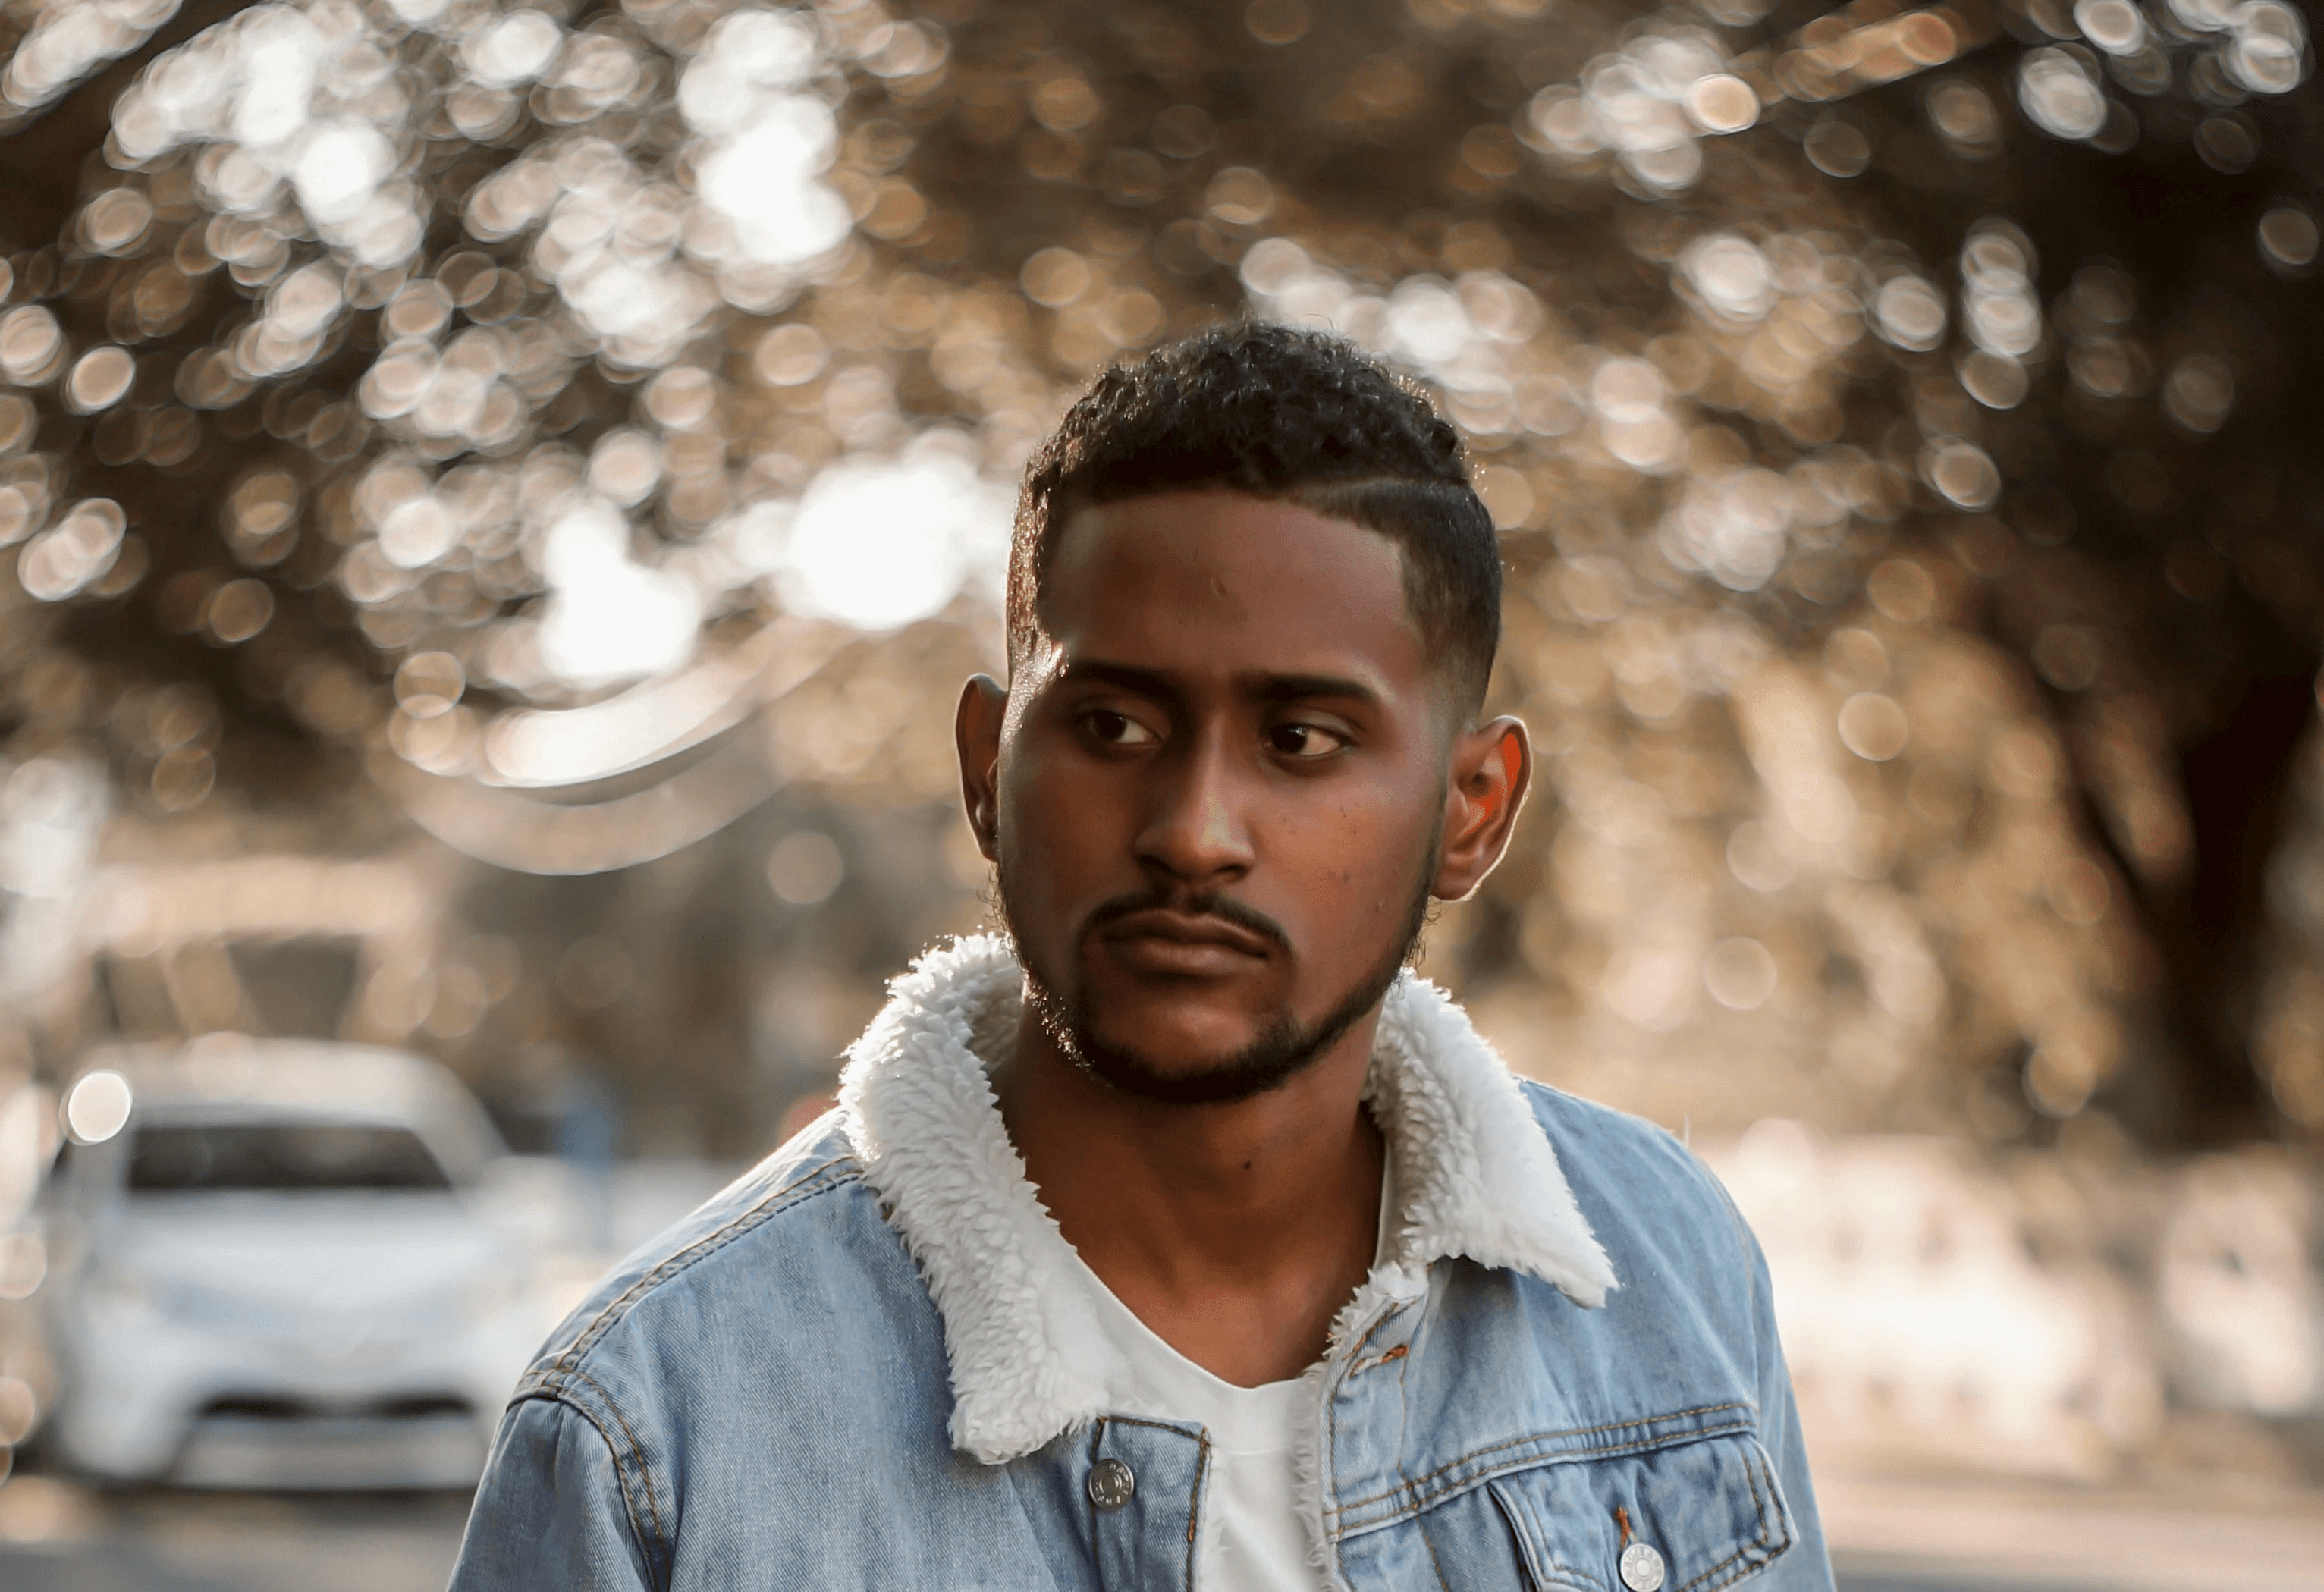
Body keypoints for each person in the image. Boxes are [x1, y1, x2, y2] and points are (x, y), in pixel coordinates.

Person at [447, 324, 1833, 1592]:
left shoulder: (1665, 1263)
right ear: (991, 771)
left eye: (1302, 739)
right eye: (1111, 725)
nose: (1192, 832)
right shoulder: (656, 1430)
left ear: (1471, 811)